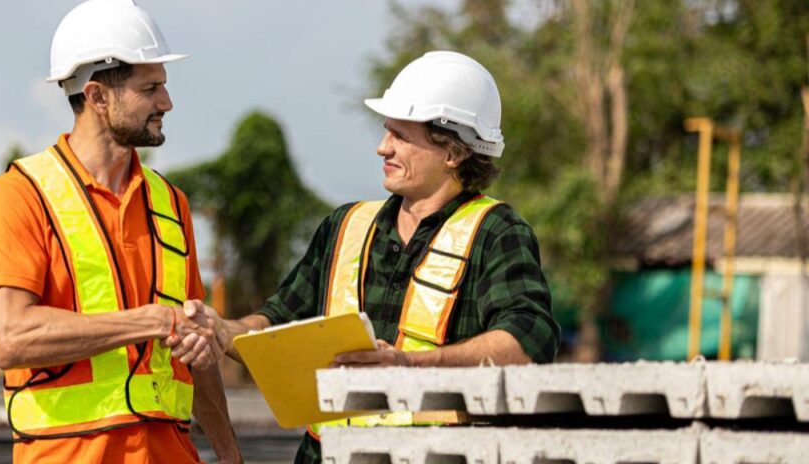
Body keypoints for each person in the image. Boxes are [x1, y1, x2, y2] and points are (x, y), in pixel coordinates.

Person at [176, 50, 560, 463]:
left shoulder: (497, 232)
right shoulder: (345, 226)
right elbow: (275, 324)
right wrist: (222, 330)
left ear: (453, 152)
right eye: (386, 132)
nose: (382, 148)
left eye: (401, 136)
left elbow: (528, 342)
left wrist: (409, 366)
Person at [0, 0, 242, 464]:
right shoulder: (21, 194)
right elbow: (11, 337)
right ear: (97, 96)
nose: (167, 102)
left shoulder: (170, 203)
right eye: (150, 88)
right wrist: (153, 320)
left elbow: (195, 353)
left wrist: (230, 457)